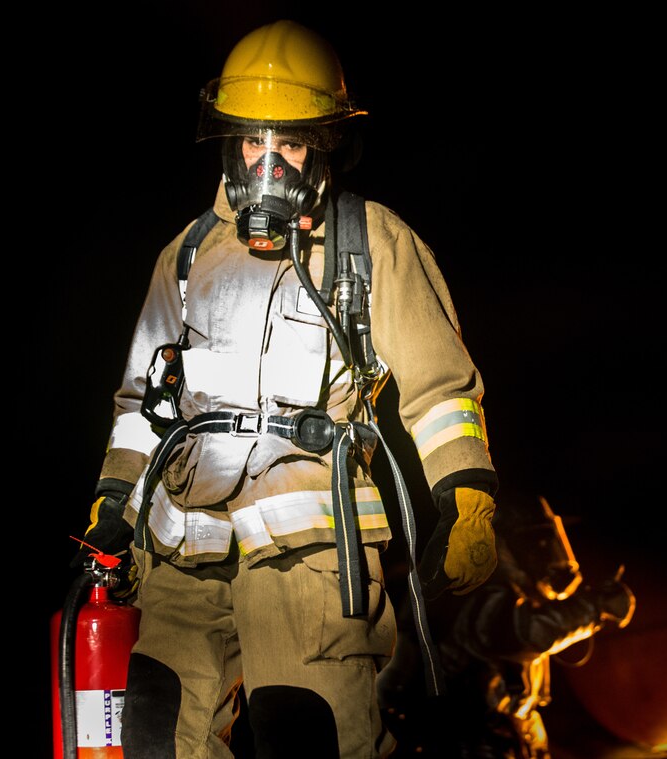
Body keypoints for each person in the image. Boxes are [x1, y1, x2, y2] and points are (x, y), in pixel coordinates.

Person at [72, 19, 500, 758]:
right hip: (181, 551)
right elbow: (142, 404)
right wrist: (114, 497)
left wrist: (465, 494)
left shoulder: (371, 244)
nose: (268, 164)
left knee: (309, 736)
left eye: (291, 143)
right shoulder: (188, 255)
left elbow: (440, 388)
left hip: (309, 562)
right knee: (151, 735)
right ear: (230, 142)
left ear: (327, 144)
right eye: (252, 140)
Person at [377, 495, 636, 758]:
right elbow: (523, 633)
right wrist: (593, 607)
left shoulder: (501, 588)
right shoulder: (473, 585)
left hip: (499, 738)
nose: (550, 557)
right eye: (538, 545)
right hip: (469, 742)